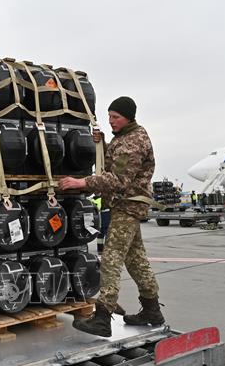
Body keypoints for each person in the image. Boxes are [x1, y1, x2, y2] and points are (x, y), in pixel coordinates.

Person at [58, 96, 164, 337]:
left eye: (115, 117)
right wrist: (104, 144)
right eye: (109, 116)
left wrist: (80, 181)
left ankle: (103, 317)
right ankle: (152, 310)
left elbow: (118, 179)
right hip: (126, 206)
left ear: (128, 116)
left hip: (127, 206)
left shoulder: (133, 141)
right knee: (136, 261)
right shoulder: (124, 138)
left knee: (111, 259)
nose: (111, 121)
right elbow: (116, 164)